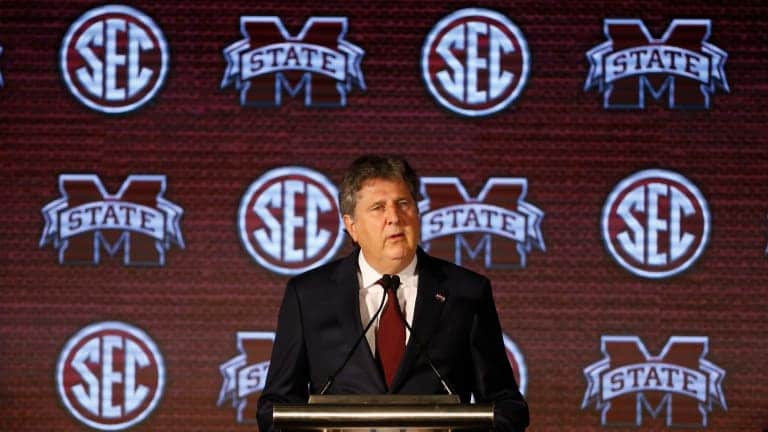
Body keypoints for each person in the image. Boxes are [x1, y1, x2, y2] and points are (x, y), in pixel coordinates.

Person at [256, 155, 529, 431]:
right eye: (378, 208)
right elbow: (275, 409)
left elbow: (505, 406)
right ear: (352, 226)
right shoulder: (309, 295)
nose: (394, 218)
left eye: (403, 204)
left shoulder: (466, 292)